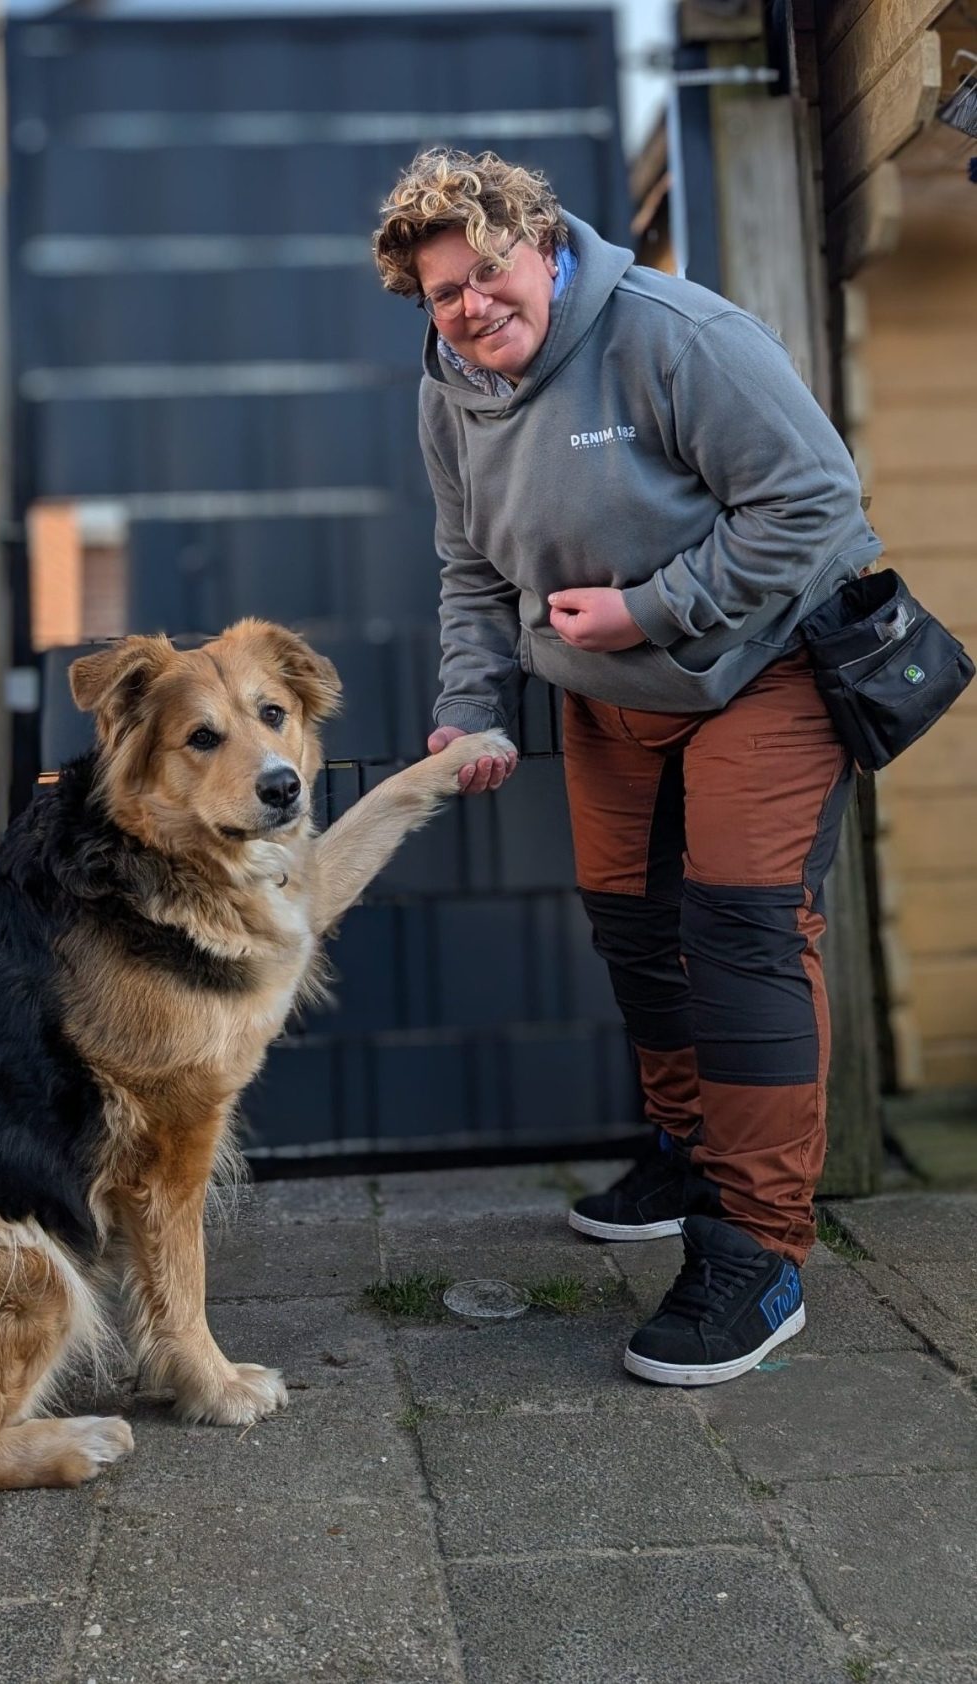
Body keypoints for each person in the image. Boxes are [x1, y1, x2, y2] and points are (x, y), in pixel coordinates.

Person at [372, 148, 881, 1387]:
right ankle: (690, 1150)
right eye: (444, 292)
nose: (471, 305)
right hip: (608, 695)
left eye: (489, 271)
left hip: (762, 666)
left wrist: (649, 608)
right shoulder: (448, 390)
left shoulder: (674, 335)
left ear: (544, 248)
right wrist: (471, 711)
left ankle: (757, 1247)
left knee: (741, 929)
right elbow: (470, 568)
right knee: (633, 926)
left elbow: (816, 500)